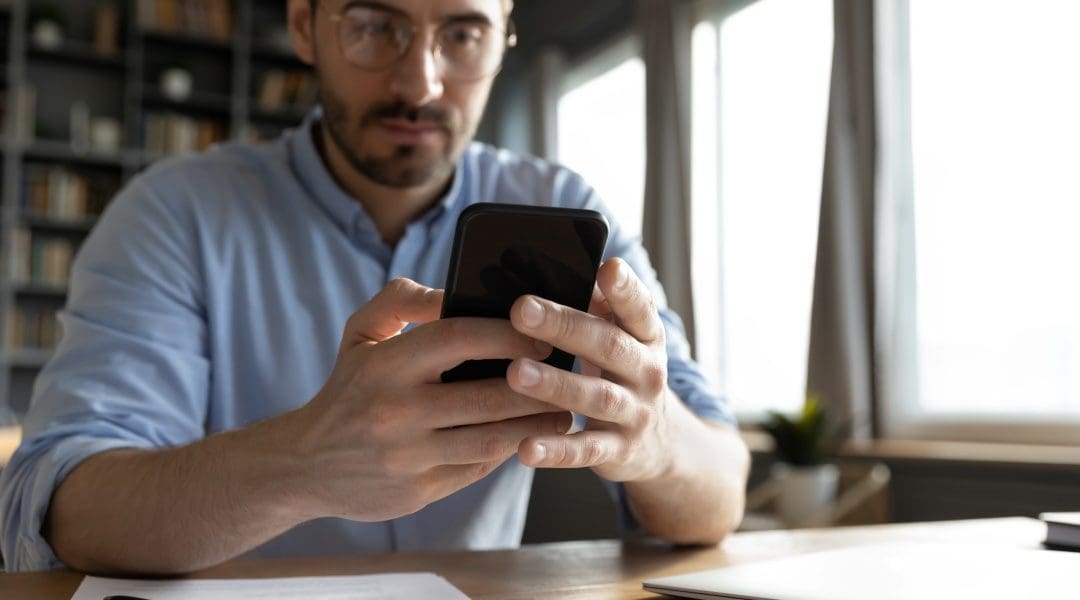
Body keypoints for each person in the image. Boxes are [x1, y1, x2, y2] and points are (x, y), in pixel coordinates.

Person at [0, 0, 749, 573]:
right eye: (373, 25)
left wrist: (653, 438)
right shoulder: (174, 214)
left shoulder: (571, 210)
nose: (419, 81)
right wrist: (302, 463)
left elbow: (721, 491)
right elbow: (58, 503)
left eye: (462, 33)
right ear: (304, 26)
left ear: (503, 35)